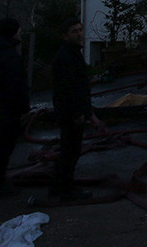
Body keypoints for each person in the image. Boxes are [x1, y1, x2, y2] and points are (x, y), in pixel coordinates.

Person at [50, 18, 105, 201]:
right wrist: (78, 114)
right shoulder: (65, 57)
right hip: (70, 113)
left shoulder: (73, 54)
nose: (79, 34)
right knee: (70, 151)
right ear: (65, 36)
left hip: (74, 111)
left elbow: (80, 87)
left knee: (71, 150)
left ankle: (60, 186)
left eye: (80, 30)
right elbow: (68, 89)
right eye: (74, 31)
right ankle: (65, 189)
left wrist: (90, 114)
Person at [0, 16, 30, 199]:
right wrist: (24, 107)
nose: (21, 32)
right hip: (6, 110)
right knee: (3, 148)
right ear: (13, 32)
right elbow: (15, 85)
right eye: (19, 29)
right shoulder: (9, 56)